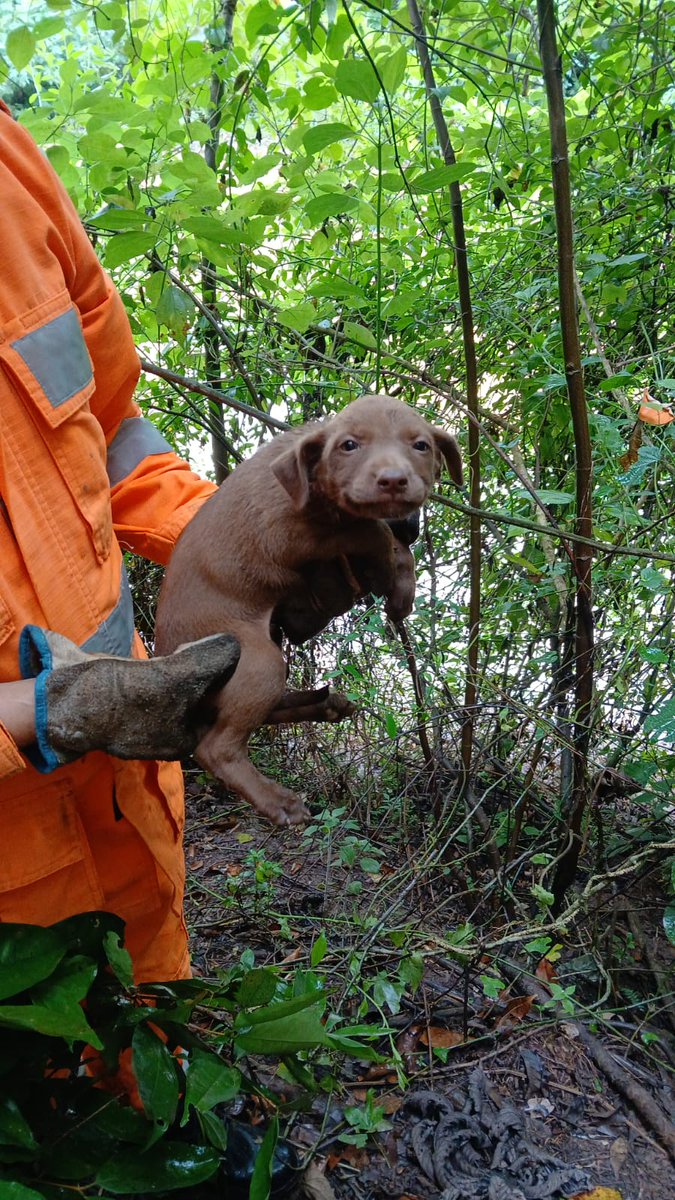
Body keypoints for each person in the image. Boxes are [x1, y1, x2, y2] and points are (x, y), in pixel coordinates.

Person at [0, 97, 241, 984]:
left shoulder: (9, 167)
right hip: (15, 930)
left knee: (155, 1045)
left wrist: (226, 539)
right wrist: (40, 715)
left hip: (127, 819)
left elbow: (107, 418)